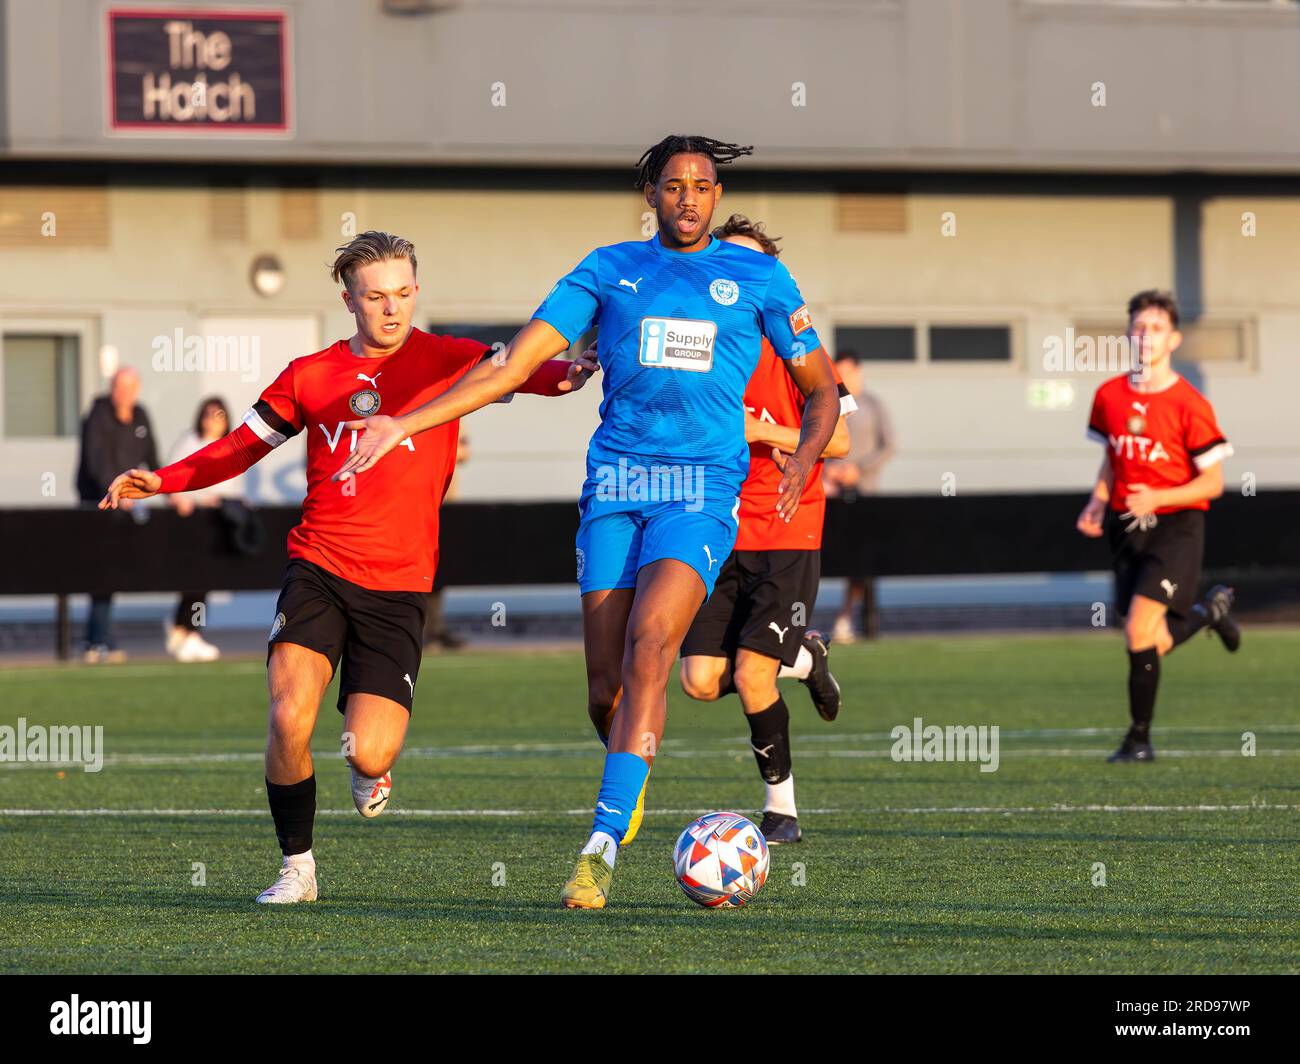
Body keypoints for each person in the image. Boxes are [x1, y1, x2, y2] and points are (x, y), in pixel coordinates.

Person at [333, 135, 841, 910]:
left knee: (651, 647)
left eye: (704, 186)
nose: (691, 199)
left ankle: (597, 850)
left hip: (700, 495)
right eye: (675, 186)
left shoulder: (760, 276)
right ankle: (627, 775)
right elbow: (509, 364)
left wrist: (805, 453)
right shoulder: (607, 270)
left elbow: (822, 388)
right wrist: (405, 423)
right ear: (651, 193)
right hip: (614, 490)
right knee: (605, 691)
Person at [100, 231, 594, 904]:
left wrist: (578, 367)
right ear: (349, 300)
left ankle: (370, 769)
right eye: (374, 297)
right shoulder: (310, 375)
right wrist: (164, 480)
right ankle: (297, 869)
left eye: (402, 294)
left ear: (415, 291)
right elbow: (239, 449)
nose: (390, 309)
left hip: (398, 587)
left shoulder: (450, 358)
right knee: (288, 716)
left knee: (369, 750)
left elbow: (534, 374)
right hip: (319, 567)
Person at [677, 214, 856, 845]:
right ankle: (805, 658)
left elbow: (839, 438)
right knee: (699, 681)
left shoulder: (798, 348)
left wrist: (768, 434)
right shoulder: (698, 348)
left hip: (786, 531)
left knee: (753, 673)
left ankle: (781, 811)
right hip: (715, 531)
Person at [1076, 289, 1241, 763]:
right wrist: (1096, 500)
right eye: (1139, 326)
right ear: (1129, 333)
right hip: (1128, 525)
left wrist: (1160, 496)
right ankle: (1210, 612)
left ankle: (1139, 739)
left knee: (1137, 632)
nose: (1145, 335)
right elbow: (1112, 458)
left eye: (1156, 328)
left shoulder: (1190, 403)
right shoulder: (1108, 396)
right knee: (1144, 636)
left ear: (1174, 339)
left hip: (1177, 525)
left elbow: (1213, 482)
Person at [75, 366, 159, 663]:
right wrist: (116, 493)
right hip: (98, 506)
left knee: (117, 573)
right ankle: (97, 642)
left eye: (129, 387)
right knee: (101, 572)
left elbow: (153, 458)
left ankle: (101, 638)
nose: (124, 393)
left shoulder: (141, 416)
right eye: (118, 386)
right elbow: (95, 463)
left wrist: (169, 489)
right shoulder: (96, 417)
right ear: (112, 388)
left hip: (128, 506)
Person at [823, 351, 895, 643]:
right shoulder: (829, 402)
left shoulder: (874, 405)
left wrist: (859, 469)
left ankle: (851, 617)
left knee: (861, 561)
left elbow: (888, 446)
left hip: (865, 493)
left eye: (847, 372)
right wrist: (830, 472)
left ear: (858, 371)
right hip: (830, 492)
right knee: (826, 555)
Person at [165, 397, 241, 663]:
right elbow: (171, 477)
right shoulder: (190, 442)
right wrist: (180, 500)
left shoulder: (230, 446)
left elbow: (232, 486)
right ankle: (183, 630)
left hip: (217, 522)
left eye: (219, 415)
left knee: (207, 580)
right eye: (209, 414)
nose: (213, 420)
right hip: (193, 522)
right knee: (192, 579)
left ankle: (190, 632)